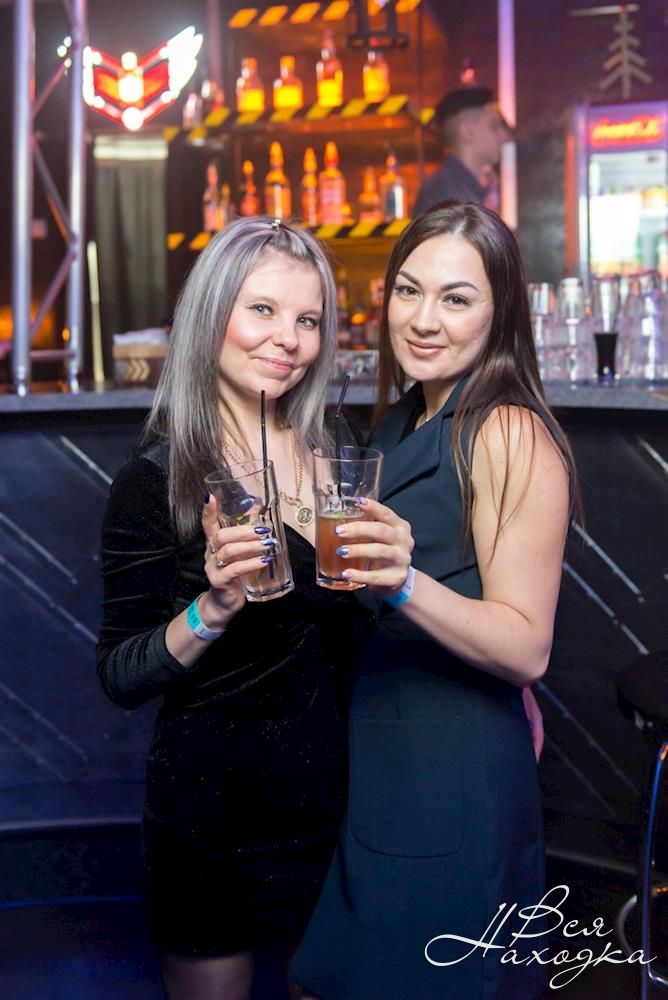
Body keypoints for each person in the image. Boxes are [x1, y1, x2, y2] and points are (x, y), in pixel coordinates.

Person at [291, 201, 580, 999]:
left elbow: (527, 646)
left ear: (500, 311)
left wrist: (406, 584)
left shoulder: (506, 430)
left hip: (447, 776)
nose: (422, 320)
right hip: (389, 761)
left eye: (456, 298)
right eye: (408, 291)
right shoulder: (408, 416)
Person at [96, 217, 380, 999]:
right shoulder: (158, 480)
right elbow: (120, 673)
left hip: (335, 804)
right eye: (262, 309)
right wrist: (214, 609)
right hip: (211, 816)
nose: (288, 339)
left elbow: (355, 630)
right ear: (211, 313)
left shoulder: (335, 447)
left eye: (308, 319)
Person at [413, 86, 510, 215]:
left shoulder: (456, 190)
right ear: (466, 132)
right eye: (494, 126)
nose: (504, 136)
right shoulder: (450, 198)